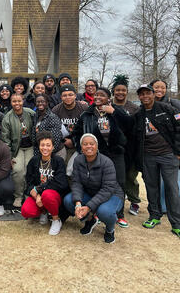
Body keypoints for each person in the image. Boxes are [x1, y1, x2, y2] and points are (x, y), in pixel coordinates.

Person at [72, 86, 132, 227]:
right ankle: (97, 211)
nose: (98, 97)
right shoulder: (88, 114)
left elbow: (130, 125)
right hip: (99, 154)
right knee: (99, 183)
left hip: (116, 152)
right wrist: (81, 149)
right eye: (96, 95)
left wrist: (115, 112)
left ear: (108, 98)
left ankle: (119, 214)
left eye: (102, 95)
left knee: (120, 182)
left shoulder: (115, 110)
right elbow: (77, 133)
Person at [133, 84, 180, 238]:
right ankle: (154, 216)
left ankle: (176, 223)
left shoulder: (166, 108)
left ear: (153, 94)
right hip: (148, 157)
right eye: (142, 94)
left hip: (168, 155)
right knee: (151, 187)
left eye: (148, 93)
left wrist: (178, 151)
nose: (145, 96)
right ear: (139, 97)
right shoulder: (138, 114)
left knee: (172, 188)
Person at [64, 134, 124, 244]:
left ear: (97, 146)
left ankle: (110, 230)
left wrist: (88, 206)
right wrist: (78, 203)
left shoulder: (107, 162)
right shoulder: (78, 160)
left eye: (92, 144)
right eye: (85, 144)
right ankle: (90, 220)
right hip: (91, 192)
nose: (88, 146)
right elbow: (76, 182)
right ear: (81, 147)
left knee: (104, 211)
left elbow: (107, 189)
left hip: (112, 194)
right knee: (68, 200)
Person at [21, 131, 69, 235]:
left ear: (52, 147)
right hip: (39, 194)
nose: (45, 148)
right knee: (26, 211)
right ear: (39, 146)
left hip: (53, 196)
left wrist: (40, 189)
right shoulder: (34, 161)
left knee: (47, 195)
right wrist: (36, 195)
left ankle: (56, 220)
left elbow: (62, 183)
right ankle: (44, 211)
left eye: (48, 145)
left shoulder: (58, 161)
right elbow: (29, 182)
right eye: (42, 145)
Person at [111, 75, 141, 216]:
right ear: (113, 91)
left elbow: (135, 128)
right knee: (116, 177)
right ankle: (116, 200)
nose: (120, 93)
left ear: (127, 92)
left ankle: (134, 201)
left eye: (123, 90)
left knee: (130, 175)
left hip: (130, 147)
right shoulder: (108, 105)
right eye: (117, 90)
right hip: (113, 146)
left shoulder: (134, 108)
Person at [1, 93, 35, 207]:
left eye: (19, 101)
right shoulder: (7, 118)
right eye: (14, 101)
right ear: (11, 102)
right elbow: (5, 139)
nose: (17, 103)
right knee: (18, 170)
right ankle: (18, 196)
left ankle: (28, 194)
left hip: (31, 146)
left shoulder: (30, 113)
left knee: (29, 169)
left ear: (23, 101)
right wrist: (9, 156)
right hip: (17, 148)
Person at [52, 84, 87, 165]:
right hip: (63, 143)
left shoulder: (83, 108)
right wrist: (63, 141)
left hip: (81, 142)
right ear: (61, 97)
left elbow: (88, 128)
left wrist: (75, 141)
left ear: (75, 96)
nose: (68, 97)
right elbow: (53, 129)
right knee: (64, 166)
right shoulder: (56, 110)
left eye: (70, 94)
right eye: (64, 95)